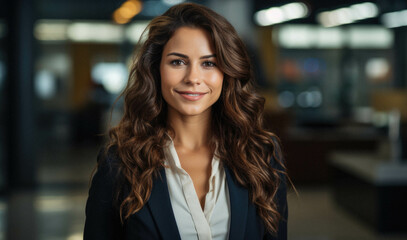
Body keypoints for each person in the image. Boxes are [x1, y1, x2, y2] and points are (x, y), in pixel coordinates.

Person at [84, 3, 289, 240]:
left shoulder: (261, 154)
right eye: (178, 62)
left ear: (227, 72)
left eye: (209, 63)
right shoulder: (120, 162)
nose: (193, 78)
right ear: (156, 68)